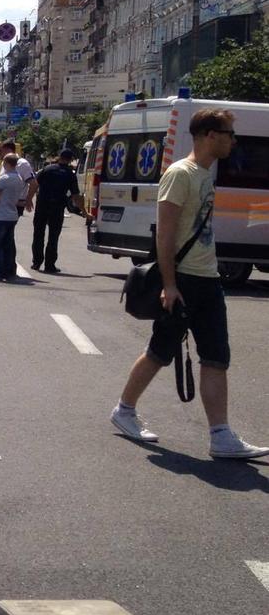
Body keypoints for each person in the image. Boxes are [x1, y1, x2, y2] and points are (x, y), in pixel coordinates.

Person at [111, 109, 268, 459]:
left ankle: (221, 436)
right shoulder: (180, 174)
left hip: (208, 279)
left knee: (216, 356)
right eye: (228, 133)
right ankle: (124, 410)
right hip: (183, 280)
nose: (233, 140)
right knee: (160, 352)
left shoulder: (204, 174)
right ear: (210, 135)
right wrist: (169, 284)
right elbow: (164, 234)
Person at [31, 149, 82, 273]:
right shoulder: (70, 174)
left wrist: (28, 199)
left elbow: (34, 184)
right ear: (70, 160)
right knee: (53, 237)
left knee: (38, 234)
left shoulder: (47, 169)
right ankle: (50, 265)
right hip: (57, 208)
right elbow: (75, 196)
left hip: (42, 205)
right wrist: (84, 211)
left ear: (59, 156)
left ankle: (37, 262)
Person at [0, 153, 25, 282]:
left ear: (6, 163)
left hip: (2, 215)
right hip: (13, 214)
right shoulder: (19, 178)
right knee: (8, 244)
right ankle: (9, 269)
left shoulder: (4, 178)